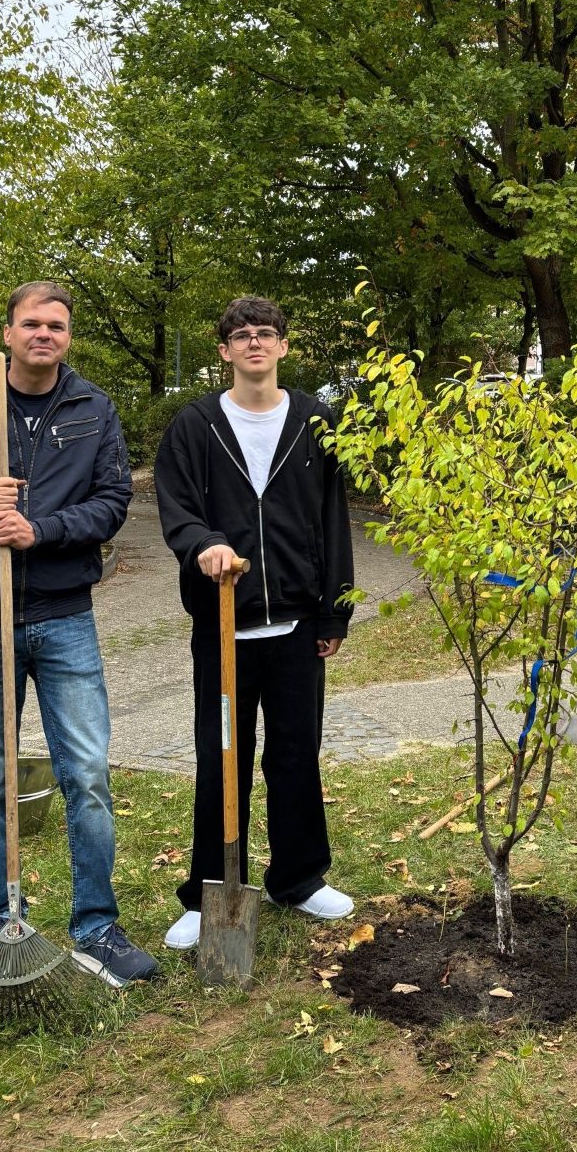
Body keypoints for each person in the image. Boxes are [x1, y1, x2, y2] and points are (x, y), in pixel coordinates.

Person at [0, 281, 159, 987]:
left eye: (56, 325)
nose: (44, 333)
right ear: (7, 333)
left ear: (68, 337)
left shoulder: (92, 410)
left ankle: (96, 926)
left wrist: (39, 530)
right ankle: (0, 922)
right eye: (31, 323)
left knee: (87, 776)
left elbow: (113, 501)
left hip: (65, 617)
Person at [155, 296, 356, 949]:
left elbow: (333, 520)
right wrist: (202, 543)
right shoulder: (196, 426)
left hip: (298, 626)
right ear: (224, 351)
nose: (254, 345)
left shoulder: (314, 421)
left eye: (265, 334)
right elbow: (177, 505)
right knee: (223, 759)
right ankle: (209, 889)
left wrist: (335, 610)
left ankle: (297, 879)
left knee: (297, 753)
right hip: (223, 629)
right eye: (241, 336)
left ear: (284, 347)